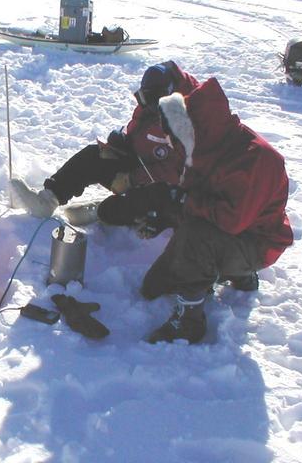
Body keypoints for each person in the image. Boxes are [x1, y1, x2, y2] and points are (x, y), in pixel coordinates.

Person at [119, 77, 293, 344]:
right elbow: (192, 197)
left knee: (197, 236)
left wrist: (184, 204)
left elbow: (230, 221)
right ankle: (232, 272)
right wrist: (165, 215)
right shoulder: (203, 147)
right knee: (154, 286)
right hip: (226, 231)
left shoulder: (257, 159)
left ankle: (189, 323)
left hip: (257, 241)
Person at [10, 61, 199, 225]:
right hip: (141, 165)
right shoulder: (152, 102)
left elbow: (180, 171)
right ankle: (48, 199)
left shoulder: (189, 117)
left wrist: (132, 179)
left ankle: (100, 210)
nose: (147, 105)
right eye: (143, 98)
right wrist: (122, 143)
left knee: (118, 210)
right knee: (93, 155)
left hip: (166, 190)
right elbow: (141, 130)